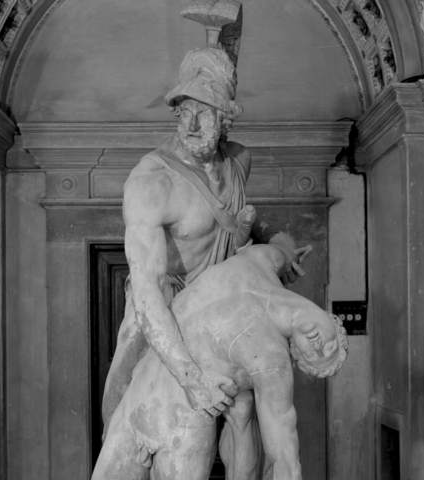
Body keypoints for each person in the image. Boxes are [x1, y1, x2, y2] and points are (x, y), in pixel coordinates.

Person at [101, 46, 311, 478]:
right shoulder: (151, 183)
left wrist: (278, 244)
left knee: (243, 408)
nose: (192, 125)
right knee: (128, 408)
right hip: (164, 308)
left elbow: (237, 219)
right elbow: (146, 292)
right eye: (185, 112)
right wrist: (191, 378)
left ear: (226, 120)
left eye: (206, 113)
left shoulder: (238, 162)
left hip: (219, 303)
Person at [93, 243, 348, 480]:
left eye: (314, 356)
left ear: (297, 352)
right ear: (331, 318)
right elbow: (284, 251)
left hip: (181, 428)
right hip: (140, 395)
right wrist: (290, 252)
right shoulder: (265, 259)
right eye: (330, 346)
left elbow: (284, 456)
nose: (318, 347)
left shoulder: (273, 362)